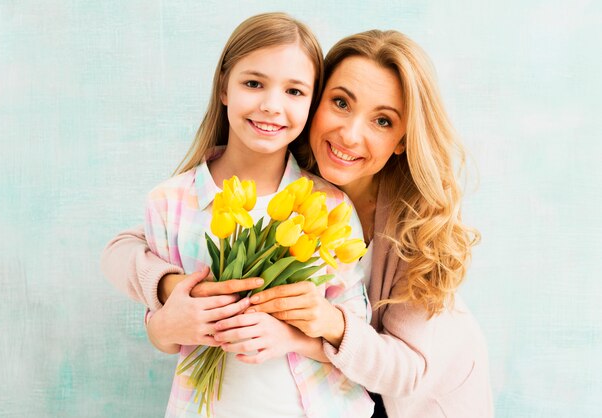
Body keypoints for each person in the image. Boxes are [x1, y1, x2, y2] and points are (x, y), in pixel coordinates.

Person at [102, 28, 493, 417]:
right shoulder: (283, 173)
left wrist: (320, 326)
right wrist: (171, 293)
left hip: (419, 399)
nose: (350, 134)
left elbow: (404, 373)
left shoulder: (416, 228)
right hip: (331, 384)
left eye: (383, 121)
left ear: (405, 138)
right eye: (340, 103)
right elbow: (126, 249)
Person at [122, 12, 374, 418]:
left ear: (311, 104)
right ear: (225, 87)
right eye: (253, 83)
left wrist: (289, 336)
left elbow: (354, 332)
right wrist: (167, 327)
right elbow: (164, 329)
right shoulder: (169, 203)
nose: (271, 106)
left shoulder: (330, 207)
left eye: (294, 91)